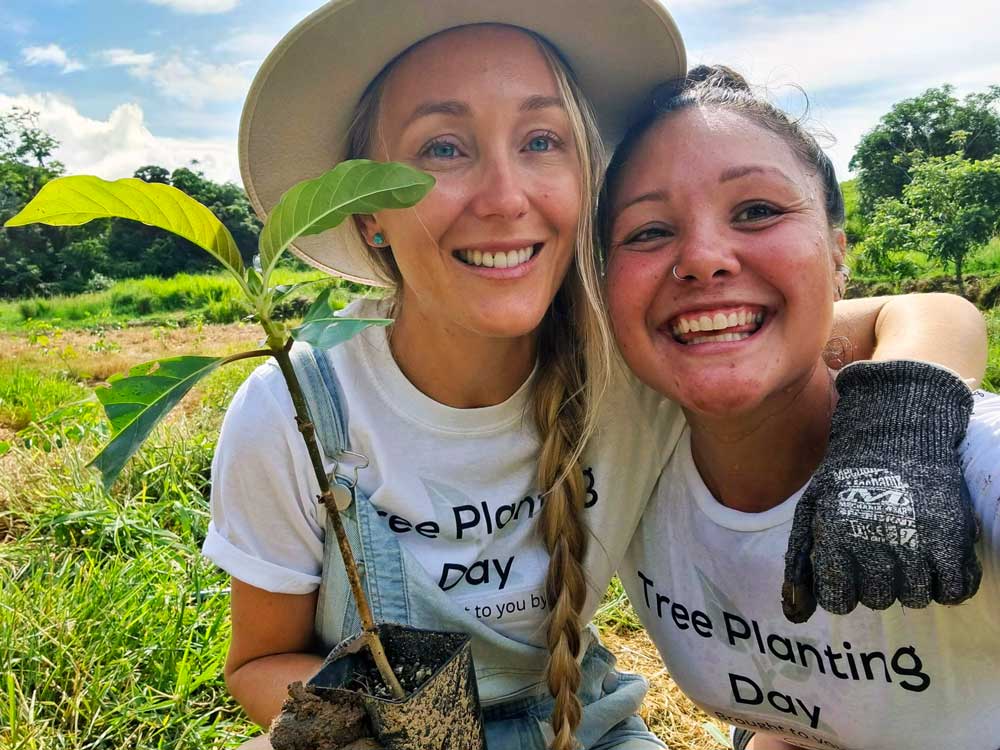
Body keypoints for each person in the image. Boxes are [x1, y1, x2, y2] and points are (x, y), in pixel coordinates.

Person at [208, 1, 987, 746]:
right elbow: (257, 660)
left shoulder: (637, 365)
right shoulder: (300, 411)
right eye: (443, 148)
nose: (505, 197)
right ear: (367, 208)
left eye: (542, 141)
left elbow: (920, 313)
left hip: (584, 726)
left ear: (584, 180)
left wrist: (897, 427)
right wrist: (385, 734)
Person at [602, 66, 998, 750]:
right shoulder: (622, 456)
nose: (703, 259)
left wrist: (899, 423)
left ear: (837, 256)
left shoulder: (966, 465)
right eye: (647, 231)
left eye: (756, 211)